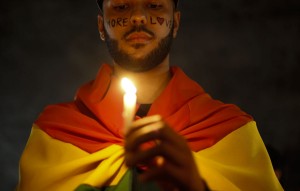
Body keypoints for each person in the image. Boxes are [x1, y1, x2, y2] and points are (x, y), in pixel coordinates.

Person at [17, 0, 283, 190]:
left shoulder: (230, 130)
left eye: (154, 6)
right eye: (122, 7)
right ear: (101, 26)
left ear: (175, 22)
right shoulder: (56, 131)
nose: (138, 18)